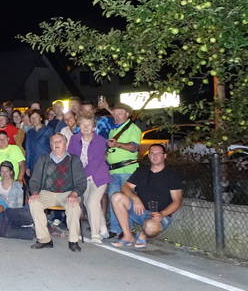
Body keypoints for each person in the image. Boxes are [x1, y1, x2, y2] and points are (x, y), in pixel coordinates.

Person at [110, 144, 183, 249]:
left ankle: (143, 234)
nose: (154, 155)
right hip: (140, 211)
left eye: (158, 153)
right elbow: (125, 187)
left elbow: (177, 201)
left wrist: (162, 214)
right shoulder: (142, 171)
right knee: (116, 197)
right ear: (148, 156)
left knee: (151, 227)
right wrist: (135, 198)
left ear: (164, 156)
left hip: (160, 215)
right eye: (152, 153)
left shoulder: (172, 175)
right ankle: (127, 236)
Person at [27, 134, 88, 252]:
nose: (56, 144)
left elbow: (81, 182)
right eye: (53, 142)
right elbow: (35, 179)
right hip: (47, 192)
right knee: (33, 202)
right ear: (50, 145)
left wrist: (74, 194)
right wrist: (34, 192)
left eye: (59, 141)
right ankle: (44, 239)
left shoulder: (74, 160)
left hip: (68, 193)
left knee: (74, 205)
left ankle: (73, 241)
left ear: (66, 144)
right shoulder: (43, 159)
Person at [68, 113, 111, 244]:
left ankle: (95, 234)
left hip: (99, 175)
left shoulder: (100, 140)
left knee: (92, 202)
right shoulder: (74, 139)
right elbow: (71, 157)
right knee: (88, 203)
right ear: (79, 126)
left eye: (89, 125)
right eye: (83, 124)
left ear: (93, 127)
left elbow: (96, 162)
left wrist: (83, 175)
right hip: (82, 176)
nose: (86, 127)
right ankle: (102, 227)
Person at [105, 102, 142, 236]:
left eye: (120, 113)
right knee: (113, 199)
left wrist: (118, 144)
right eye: (115, 114)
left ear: (127, 114)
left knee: (127, 199)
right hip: (113, 171)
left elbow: (134, 147)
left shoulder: (133, 128)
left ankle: (127, 229)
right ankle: (115, 229)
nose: (116, 116)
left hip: (128, 170)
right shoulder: (113, 130)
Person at [24, 109, 51, 178]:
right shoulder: (29, 133)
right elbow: (28, 150)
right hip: (33, 165)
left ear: (41, 118)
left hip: (46, 164)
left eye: (36, 117)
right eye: (32, 118)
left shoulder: (49, 130)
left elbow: (53, 148)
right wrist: (27, 166)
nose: (34, 119)